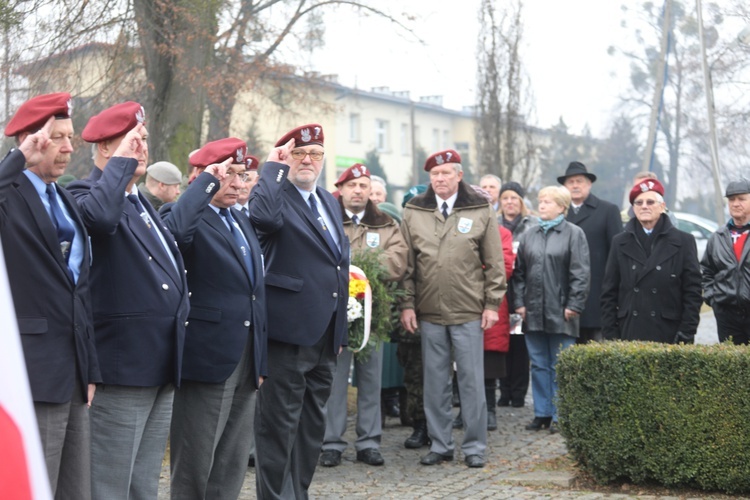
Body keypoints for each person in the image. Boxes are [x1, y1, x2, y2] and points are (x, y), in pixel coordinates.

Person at [67, 101, 190, 499]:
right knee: (109, 483)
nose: (142, 147)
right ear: (105, 148)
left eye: (145, 139)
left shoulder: (141, 204)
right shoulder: (84, 194)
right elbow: (100, 220)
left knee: (142, 483)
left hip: (159, 363)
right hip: (121, 369)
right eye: (131, 140)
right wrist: (119, 169)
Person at [1, 93, 101, 499]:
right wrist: (16, 159)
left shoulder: (62, 197)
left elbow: (80, 290)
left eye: (70, 137)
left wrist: (90, 365)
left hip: (74, 373)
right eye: (57, 137)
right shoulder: (11, 194)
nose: (67, 148)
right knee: (29, 487)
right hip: (31, 373)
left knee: (73, 488)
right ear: (30, 140)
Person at [160, 138, 268, 498]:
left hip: (246, 356)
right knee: (195, 464)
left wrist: (260, 357)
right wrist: (205, 185)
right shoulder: (185, 213)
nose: (238, 183)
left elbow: (255, 293)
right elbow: (174, 235)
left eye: (243, 175)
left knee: (231, 463)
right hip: (206, 357)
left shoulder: (240, 220)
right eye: (229, 176)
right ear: (203, 176)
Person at [248, 124, 349, 499]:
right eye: (298, 153)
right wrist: (271, 171)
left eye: (316, 154)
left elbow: (338, 264)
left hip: (325, 335)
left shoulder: (327, 200)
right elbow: (264, 221)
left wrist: (339, 330)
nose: (308, 160)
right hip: (287, 332)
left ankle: (298, 493)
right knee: (278, 429)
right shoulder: (273, 193)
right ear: (284, 157)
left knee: (310, 428)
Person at [400, 149, 506, 468]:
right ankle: (440, 443)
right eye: (434, 174)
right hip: (429, 310)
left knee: (471, 381)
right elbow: (407, 265)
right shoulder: (414, 210)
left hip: (468, 309)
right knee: (434, 382)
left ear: (459, 175)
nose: (440, 179)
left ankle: (474, 446)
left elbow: (494, 261)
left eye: (446, 173)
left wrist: (492, 304)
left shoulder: (479, 208)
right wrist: (407, 304)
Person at [320, 163, 408, 468]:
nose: (358, 191)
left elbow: (397, 261)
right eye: (352, 185)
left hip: (374, 313)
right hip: (332, 313)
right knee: (334, 379)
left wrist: (357, 264)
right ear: (341, 189)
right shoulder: (325, 218)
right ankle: (331, 442)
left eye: (363, 185)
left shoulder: (385, 223)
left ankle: (369, 442)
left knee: (371, 379)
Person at [512, 186, 590, 434]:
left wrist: (574, 304)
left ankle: (560, 414)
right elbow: (519, 273)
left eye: (547, 202)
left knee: (561, 364)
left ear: (561, 206)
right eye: (540, 201)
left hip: (562, 311)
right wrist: (519, 303)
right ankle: (542, 412)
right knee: (538, 363)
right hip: (533, 310)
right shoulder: (529, 234)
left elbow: (580, 273)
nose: (542, 205)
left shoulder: (573, 234)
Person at [601, 178, 702, 344]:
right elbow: (609, 292)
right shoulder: (619, 242)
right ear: (633, 209)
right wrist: (611, 333)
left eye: (650, 201)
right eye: (639, 202)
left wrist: (687, 331)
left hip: (670, 331)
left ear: (662, 207)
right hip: (629, 330)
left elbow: (693, 291)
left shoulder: (684, 241)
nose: (644, 206)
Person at [558, 161, 621, 344]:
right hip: (566, 296)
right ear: (564, 187)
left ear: (589, 184)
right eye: (571, 182)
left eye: (580, 181)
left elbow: (616, 254)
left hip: (597, 294)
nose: (575, 185)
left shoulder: (607, 211)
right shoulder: (559, 213)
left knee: (597, 352)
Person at [392, 184, 431, 449]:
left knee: (437, 375)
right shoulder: (398, 235)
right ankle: (419, 424)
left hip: (435, 310)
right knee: (414, 374)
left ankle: (433, 424)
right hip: (408, 314)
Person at [496, 181, 534, 408]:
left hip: (521, 293)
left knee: (519, 346)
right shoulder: (493, 225)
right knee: (501, 343)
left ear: (521, 202)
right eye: (505, 198)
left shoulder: (532, 226)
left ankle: (518, 392)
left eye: (514, 198)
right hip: (499, 294)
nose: (510, 202)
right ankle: (504, 390)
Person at [702, 178, 750, 344]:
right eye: (731, 199)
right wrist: (712, 299)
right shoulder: (718, 237)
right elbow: (707, 271)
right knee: (731, 366)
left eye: (741, 199)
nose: (736, 204)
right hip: (727, 315)